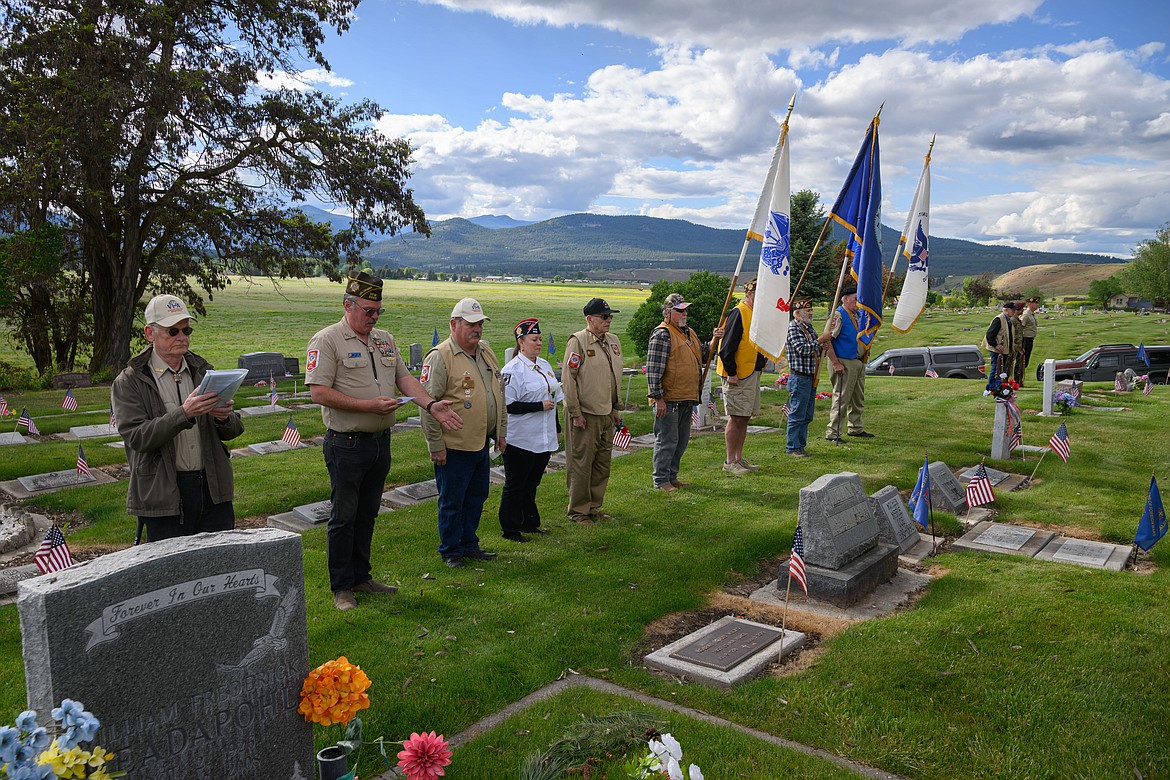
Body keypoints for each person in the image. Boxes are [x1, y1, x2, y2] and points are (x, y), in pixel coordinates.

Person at [307, 271, 463, 611]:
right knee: (344, 516)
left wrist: (432, 405)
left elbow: (404, 379)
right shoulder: (327, 340)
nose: (374, 317)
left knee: (367, 513)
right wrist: (368, 406)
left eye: (378, 311)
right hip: (346, 443)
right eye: (368, 311)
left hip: (380, 442)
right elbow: (318, 392)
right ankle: (342, 588)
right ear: (347, 305)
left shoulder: (384, 339)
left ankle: (362, 576)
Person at [112, 294, 244, 543]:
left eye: (186, 329)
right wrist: (184, 414)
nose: (182, 337)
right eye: (172, 331)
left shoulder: (203, 370)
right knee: (173, 575)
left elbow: (234, 429)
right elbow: (137, 437)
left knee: (220, 568)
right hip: (164, 493)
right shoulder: (130, 381)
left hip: (212, 488)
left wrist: (224, 418)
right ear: (150, 333)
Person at [421, 297, 506, 568]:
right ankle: (450, 550)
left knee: (477, 496)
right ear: (453, 324)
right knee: (452, 501)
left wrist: (499, 431)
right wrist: (436, 444)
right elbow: (427, 404)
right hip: (454, 445)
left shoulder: (485, 352)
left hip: (480, 441)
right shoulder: (440, 356)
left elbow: (498, 394)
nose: (477, 329)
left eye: (480, 323)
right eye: (471, 324)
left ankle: (470, 544)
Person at [646, 293, 722, 491]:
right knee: (667, 440)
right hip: (669, 399)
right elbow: (654, 369)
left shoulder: (689, 332)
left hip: (687, 397)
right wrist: (658, 398)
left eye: (685, 309)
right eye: (680, 310)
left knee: (680, 441)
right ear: (668, 312)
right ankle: (661, 480)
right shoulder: (662, 334)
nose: (685, 313)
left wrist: (715, 339)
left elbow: (704, 354)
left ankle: (672, 476)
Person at [498, 318, 563, 542]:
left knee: (532, 482)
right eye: (534, 339)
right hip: (520, 438)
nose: (539, 343)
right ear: (521, 342)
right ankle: (510, 528)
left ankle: (528, 522)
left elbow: (554, 398)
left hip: (542, 436)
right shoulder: (512, 370)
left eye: (540, 339)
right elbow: (508, 405)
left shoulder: (544, 365)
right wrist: (538, 406)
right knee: (516, 484)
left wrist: (557, 427)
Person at [562, 298, 624, 523]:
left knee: (602, 463)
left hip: (606, 412)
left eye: (610, 316)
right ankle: (578, 511)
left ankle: (594, 506)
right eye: (604, 317)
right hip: (586, 414)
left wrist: (616, 409)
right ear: (589, 319)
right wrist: (575, 413)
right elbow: (569, 380)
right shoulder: (578, 341)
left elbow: (613, 377)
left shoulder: (613, 341)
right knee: (581, 464)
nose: (609, 321)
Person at [716, 278, 767, 475]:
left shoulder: (755, 314)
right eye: (758, 294)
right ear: (749, 294)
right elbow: (727, 348)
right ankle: (730, 461)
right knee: (735, 417)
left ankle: (738, 457)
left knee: (744, 417)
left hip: (751, 371)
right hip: (738, 374)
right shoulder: (739, 313)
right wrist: (732, 373)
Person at [824, 286, 872, 441]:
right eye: (855, 299)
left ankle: (855, 427)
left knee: (858, 397)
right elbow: (827, 340)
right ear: (844, 298)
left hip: (857, 361)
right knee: (841, 398)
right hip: (843, 361)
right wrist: (835, 363)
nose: (858, 303)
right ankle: (833, 432)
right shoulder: (838, 315)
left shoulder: (857, 315)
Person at [784, 298, 823, 457]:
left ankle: (800, 446)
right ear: (798, 313)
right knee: (797, 413)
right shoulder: (794, 328)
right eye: (808, 311)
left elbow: (815, 348)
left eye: (811, 310)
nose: (811, 313)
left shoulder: (808, 328)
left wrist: (822, 346)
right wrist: (820, 341)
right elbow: (802, 349)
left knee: (806, 414)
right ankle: (792, 447)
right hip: (800, 377)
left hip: (810, 376)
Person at [983, 301, 1017, 382]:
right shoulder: (998, 319)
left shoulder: (1008, 320)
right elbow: (990, 334)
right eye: (1012, 310)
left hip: (1004, 349)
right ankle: (991, 386)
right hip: (996, 349)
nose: (1014, 312)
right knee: (996, 368)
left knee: (1002, 369)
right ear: (1007, 310)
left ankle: (999, 386)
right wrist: (996, 345)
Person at [1017, 296, 1040, 386]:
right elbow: (1020, 327)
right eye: (1035, 303)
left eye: (1037, 303)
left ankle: (1020, 379)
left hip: (1029, 339)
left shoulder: (1032, 314)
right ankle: (1017, 379)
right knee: (1021, 360)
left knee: (1025, 361)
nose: (1037, 305)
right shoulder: (1026, 314)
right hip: (1025, 339)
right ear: (1030, 304)